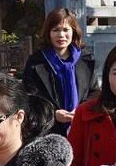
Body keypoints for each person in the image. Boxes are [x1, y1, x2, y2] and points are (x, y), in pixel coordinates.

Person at [22, 7, 96, 137]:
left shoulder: (85, 59)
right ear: (48, 33)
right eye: (55, 30)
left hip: (84, 128)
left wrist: (80, 111)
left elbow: (95, 91)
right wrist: (53, 113)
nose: (61, 35)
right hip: (48, 131)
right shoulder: (36, 62)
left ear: (73, 31)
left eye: (66, 30)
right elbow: (29, 97)